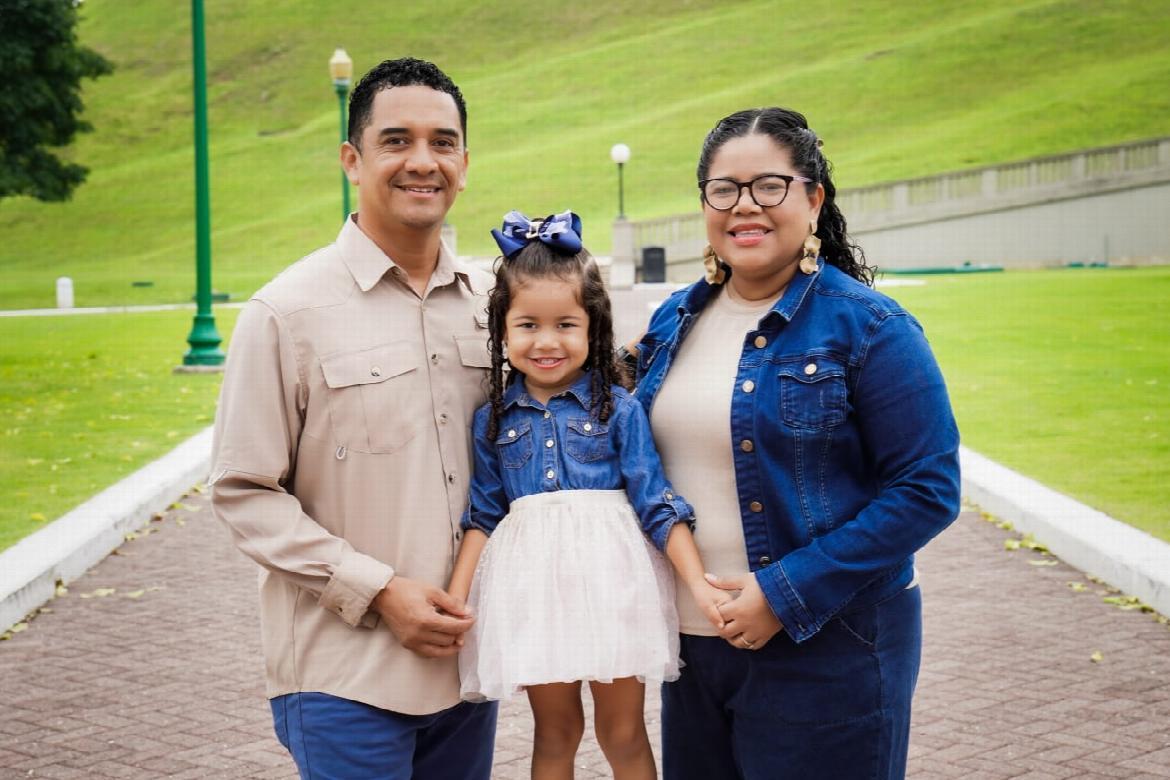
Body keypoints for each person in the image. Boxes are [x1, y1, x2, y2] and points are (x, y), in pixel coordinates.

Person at [631, 108, 962, 779]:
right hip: (692, 654)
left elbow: (928, 490)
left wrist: (783, 594)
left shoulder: (870, 326)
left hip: (827, 650)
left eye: (769, 186)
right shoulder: (673, 321)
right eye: (724, 189)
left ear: (813, 199)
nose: (744, 205)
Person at [209, 58, 498, 780]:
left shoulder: (498, 303)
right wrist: (378, 591)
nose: (422, 161)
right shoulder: (286, 313)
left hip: (469, 668)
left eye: (442, 142)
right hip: (344, 677)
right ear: (352, 160)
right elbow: (243, 492)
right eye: (396, 141)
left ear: (465, 163)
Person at [447, 211, 728, 780]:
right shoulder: (493, 420)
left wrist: (699, 584)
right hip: (534, 592)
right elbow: (483, 513)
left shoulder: (617, 408)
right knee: (556, 732)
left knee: (622, 731)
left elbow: (655, 500)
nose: (546, 341)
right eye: (528, 324)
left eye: (566, 324)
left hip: (613, 587)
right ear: (503, 330)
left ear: (593, 328)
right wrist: (456, 600)